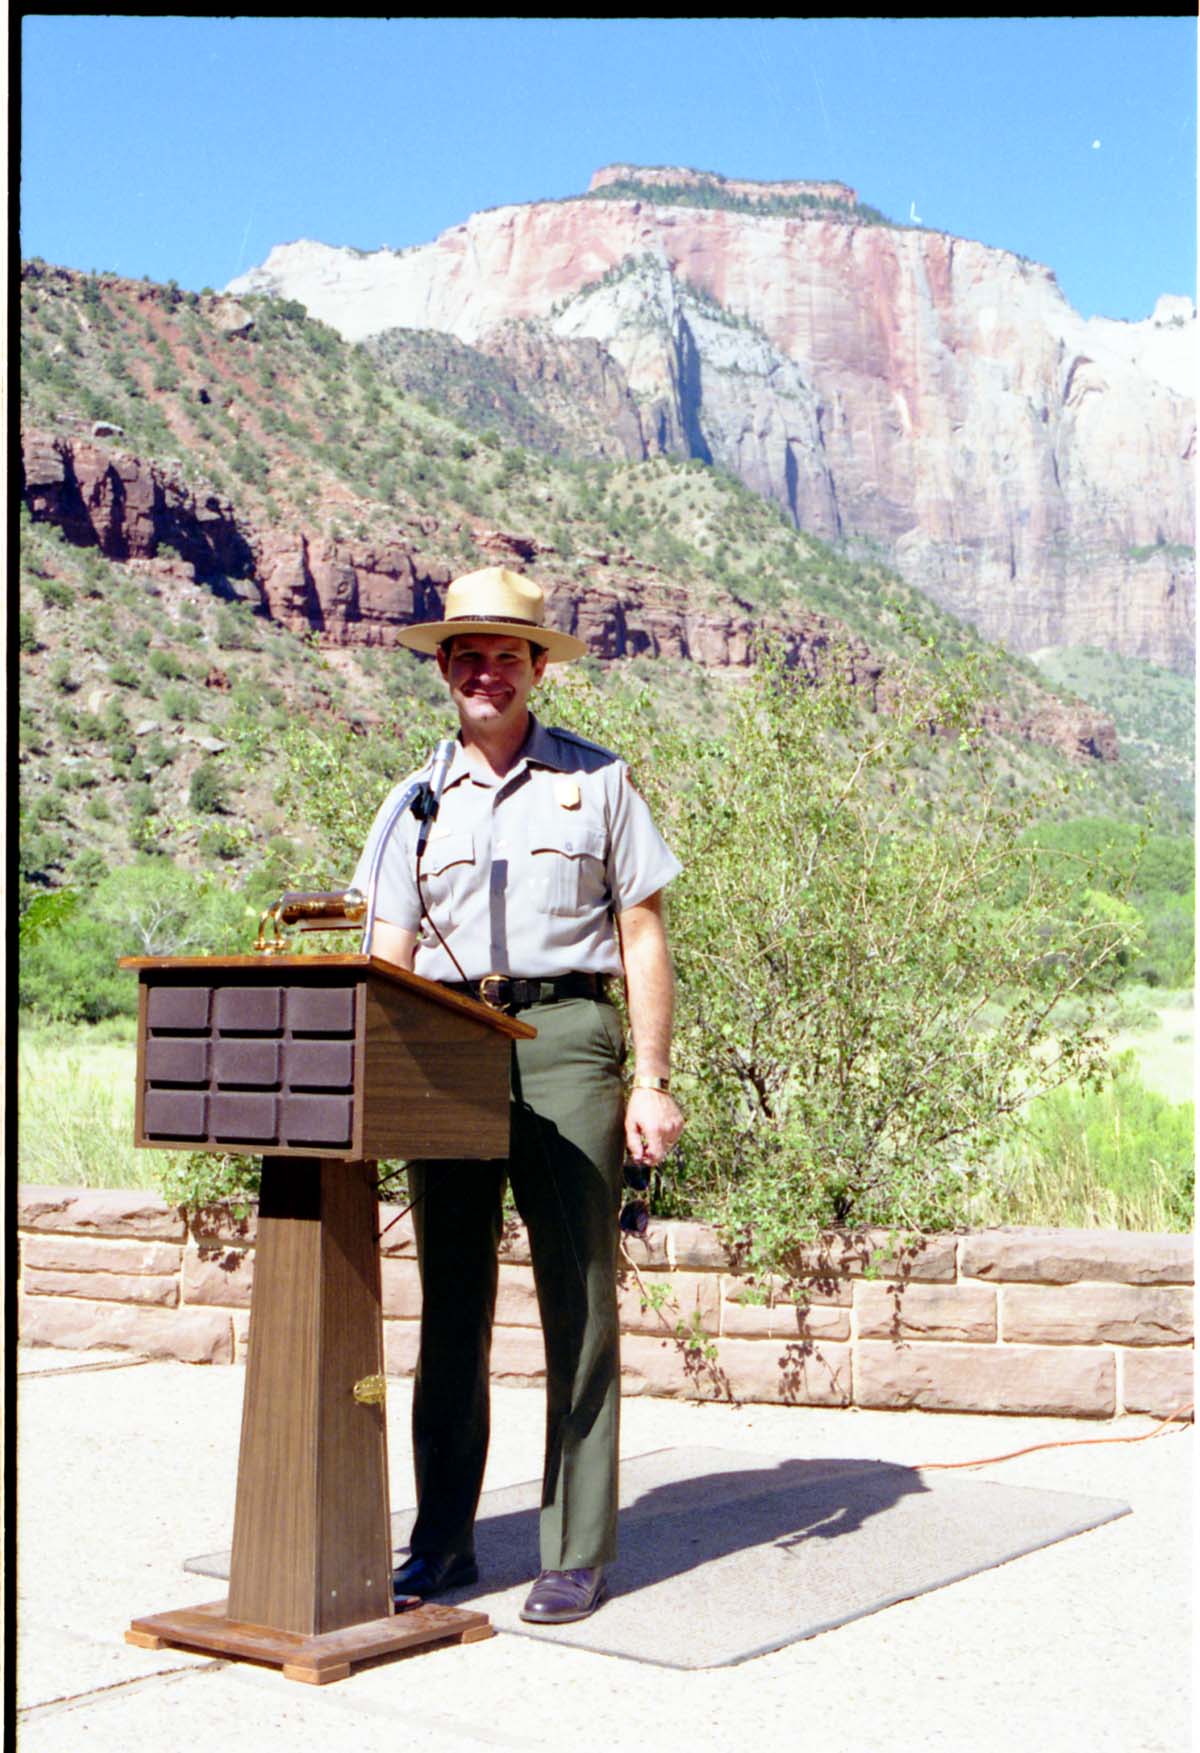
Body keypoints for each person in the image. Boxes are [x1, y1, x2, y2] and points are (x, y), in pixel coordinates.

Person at [352, 565, 684, 1626]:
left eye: (506, 653)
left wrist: (653, 1080)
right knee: (450, 1299)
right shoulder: (412, 801)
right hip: (446, 1045)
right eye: (467, 654)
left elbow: (642, 932)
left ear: (538, 667)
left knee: (577, 1294)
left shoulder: (600, 780)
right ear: (444, 668)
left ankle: (576, 1548)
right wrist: (374, 1085)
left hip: (566, 1036)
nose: (485, 671)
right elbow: (388, 950)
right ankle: (441, 1542)